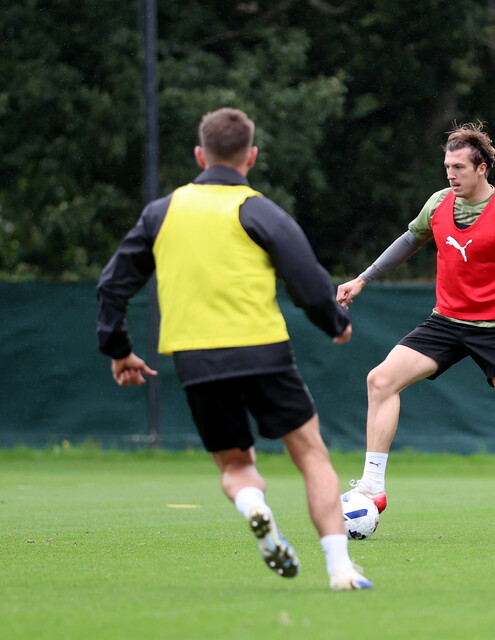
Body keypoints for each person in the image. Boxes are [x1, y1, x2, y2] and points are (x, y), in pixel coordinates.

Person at [96, 107, 374, 591]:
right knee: (311, 456)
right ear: (252, 156)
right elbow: (308, 282)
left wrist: (119, 348)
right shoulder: (258, 208)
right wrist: (335, 322)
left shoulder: (161, 212)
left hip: (197, 359)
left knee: (236, 466)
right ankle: (340, 568)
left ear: (201, 155)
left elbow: (112, 287)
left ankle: (254, 506)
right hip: (263, 353)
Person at [337, 122, 495, 541]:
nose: (450, 174)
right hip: (445, 322)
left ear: (482, 168)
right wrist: (363, 278)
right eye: (447, 166)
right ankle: (373, 485)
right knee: (380, 379)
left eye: (459, 166)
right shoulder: (439, 203)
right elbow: (410, 239)